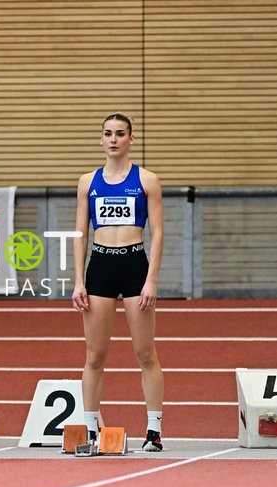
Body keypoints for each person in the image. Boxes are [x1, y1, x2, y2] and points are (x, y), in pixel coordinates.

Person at [71, 114, 165, 452]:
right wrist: (78, 280)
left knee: (145, 352)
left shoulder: (148, 180)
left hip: (134, 264)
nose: (113, 139)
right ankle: (91, 428)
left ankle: (154, 429)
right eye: (108, 134)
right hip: (100, 267)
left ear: (131, 139)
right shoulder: (87, 182)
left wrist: (151, 279)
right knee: (95, 355)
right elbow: (80, 234)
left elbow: (158, 235)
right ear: (101, 140)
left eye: (120, 134)